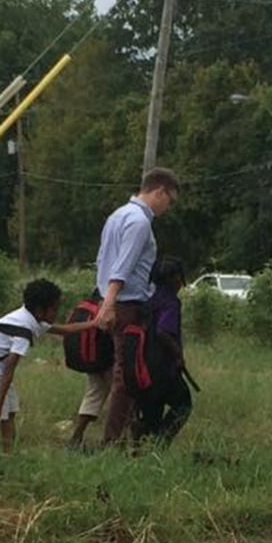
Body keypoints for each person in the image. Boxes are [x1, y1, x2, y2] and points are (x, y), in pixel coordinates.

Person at [95, 167, 180, 445]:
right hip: (126, 304)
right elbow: (123, 266)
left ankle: (130, 434)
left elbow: (103, 261)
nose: (168, 207)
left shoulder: (117, 216)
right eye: (170, 200)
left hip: (114, 301)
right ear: (159, 191)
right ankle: (112, 442)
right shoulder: (139, 222)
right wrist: (110, 303)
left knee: (128, 371)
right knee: (128, 376)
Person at [0, 278, 94, 453]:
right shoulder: (23, 330)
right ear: (39, 310)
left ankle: (6, 453)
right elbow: (9, 368)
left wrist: (95, 323)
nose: (56, 312)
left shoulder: (29, 318)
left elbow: (66, 330)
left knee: (9, 411)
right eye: (54, 308)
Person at [132, 255, 193, 445]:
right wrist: (178, 353)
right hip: (163, 368)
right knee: (183, 404)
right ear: (174, 278)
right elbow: (163, 331)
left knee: (151, 414)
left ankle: (139, 448)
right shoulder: (171, 303)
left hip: (142, 367)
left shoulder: (148, 302)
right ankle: (160, 443)